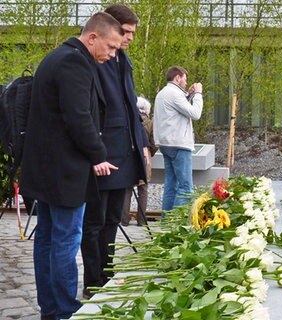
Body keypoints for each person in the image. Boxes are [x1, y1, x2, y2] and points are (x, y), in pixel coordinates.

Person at [19, 12, 122, 320]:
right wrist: (98, 154)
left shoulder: (56, 57)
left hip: (46, 169)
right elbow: (79, 118)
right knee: (64, 241)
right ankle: (64, 310)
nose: (113, 54)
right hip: (65, 173)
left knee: (48, 239)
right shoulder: (75, 63)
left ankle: (50, 308)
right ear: (93, 37)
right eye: (112, 46)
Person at [81, 4, 149, 299]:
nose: (130, 38)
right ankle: (93, 281)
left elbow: (129, 107)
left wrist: (142, 144)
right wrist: (96, 153)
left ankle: (106, 274)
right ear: (112, 28)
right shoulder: (97, 60)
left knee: (112, 220)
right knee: (94, 222)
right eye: (127, 32)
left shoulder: (123, 60)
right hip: (103, 153)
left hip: (124, 151)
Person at [153, 66, 203, 212]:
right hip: (179, 145)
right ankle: (177, 225)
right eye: (184, 79)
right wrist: (199, 94)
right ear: (177, 78)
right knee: (185, 187)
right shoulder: (175, 94)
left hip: (165, 144)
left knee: (171, 185)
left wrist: (190, 95)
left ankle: (166, 222)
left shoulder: (162, 93)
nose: (186, 83)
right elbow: (195, 113)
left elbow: (178, 110)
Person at [121, 96, 158, 226]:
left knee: (127, 188)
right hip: (144, 156)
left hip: (129, 155)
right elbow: (154, 143)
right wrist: (150, 152)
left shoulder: (128, 120)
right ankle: (141, 221)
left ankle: (124, 220)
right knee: (143, 189)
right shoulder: (150, 122)